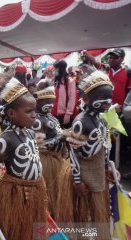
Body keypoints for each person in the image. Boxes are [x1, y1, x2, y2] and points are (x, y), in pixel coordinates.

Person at [0, 77, 46, 240]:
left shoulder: (30, 133)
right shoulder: (6, 139)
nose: (34, 115)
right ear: (11, 113)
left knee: (32, 232)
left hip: (36, 192)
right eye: (28, 111)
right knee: (15, 233)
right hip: (15, 195)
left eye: (35, 110)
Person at [58, 69, 115, 239]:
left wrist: (108, 166)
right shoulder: (80, 122)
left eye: (109, 98)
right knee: (81, 216)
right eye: (102, 98)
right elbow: (73, 154)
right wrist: (77, 180)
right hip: (82, 174)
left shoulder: (102, 120)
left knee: (98, 214)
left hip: (98, 173)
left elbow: (105, 147)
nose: (107, 102)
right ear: (86, 99)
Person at [32, 81, 67, 217]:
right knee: (48, 191)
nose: (50, 105)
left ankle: (54, 214)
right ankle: (47, 215)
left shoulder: (51, 117)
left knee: (56, 191)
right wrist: (60, 138)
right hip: (45, 162)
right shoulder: (36, 120)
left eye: (52, 101)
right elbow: (39, 144)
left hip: (57, 160)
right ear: (38, 101)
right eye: (47, 101)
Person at [51, 60, 77, 129]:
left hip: (63, 115)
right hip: (52, 113)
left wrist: (68, 114)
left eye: (54, 68)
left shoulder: (70, 81)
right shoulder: (54, 80)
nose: (53, 70)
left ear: (59, 69)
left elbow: (72, 99)